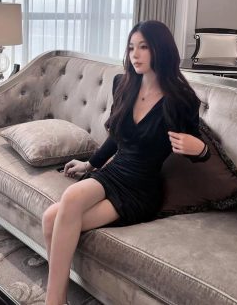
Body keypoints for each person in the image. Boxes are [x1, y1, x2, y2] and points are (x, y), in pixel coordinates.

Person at [42, 20, 209, 305]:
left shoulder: (181, 100)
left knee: (58, 217)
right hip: (115, 172)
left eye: (143, 47)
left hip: (141, 189)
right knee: (51, 216)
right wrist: (91, 164)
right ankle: (57, 300)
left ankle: (53, 302)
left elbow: (198, 151)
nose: (135, 54)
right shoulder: (123, 84)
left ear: (160, 49)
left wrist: (200, 148)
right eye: (131, 48)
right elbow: (117, 137)